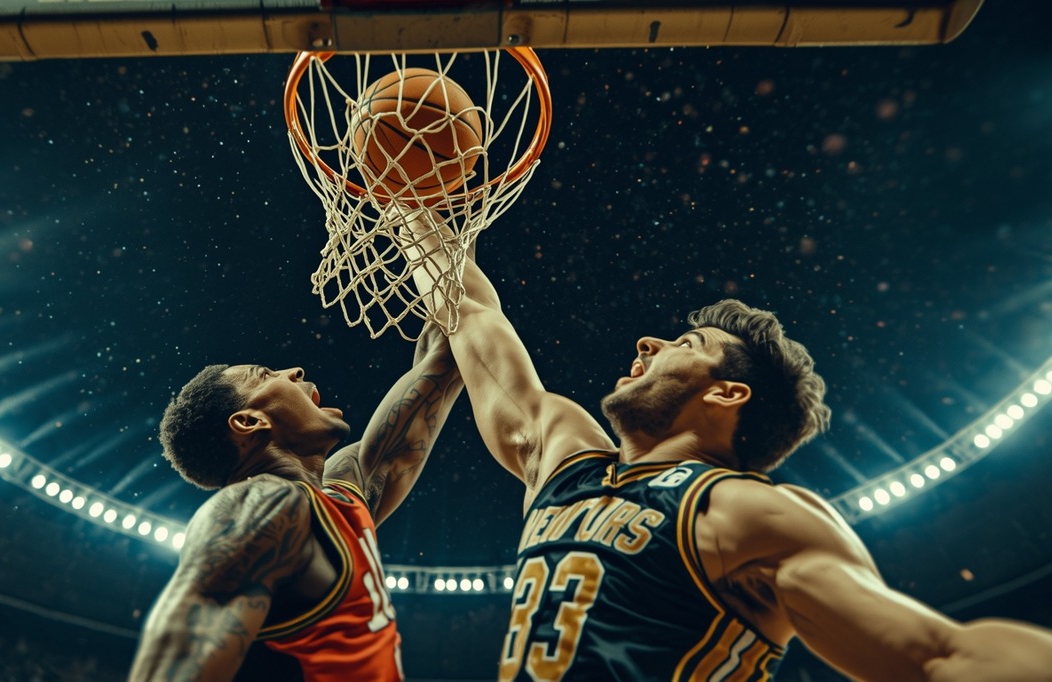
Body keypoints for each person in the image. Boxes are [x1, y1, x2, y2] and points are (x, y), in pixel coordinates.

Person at [401, 213, 1052, 681]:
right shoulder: (562, 456)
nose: (646, 344)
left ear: (726, 395)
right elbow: (471, 313)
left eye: (687, 345)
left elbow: (939, 657)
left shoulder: (746, 514)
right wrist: (410, 205)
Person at [128, 323, 463, 681]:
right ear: (249, 421)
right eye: (266, 375)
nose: (295, 372)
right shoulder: (257, 507)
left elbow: (443, 362)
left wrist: (448, 272)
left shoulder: (341, 495)